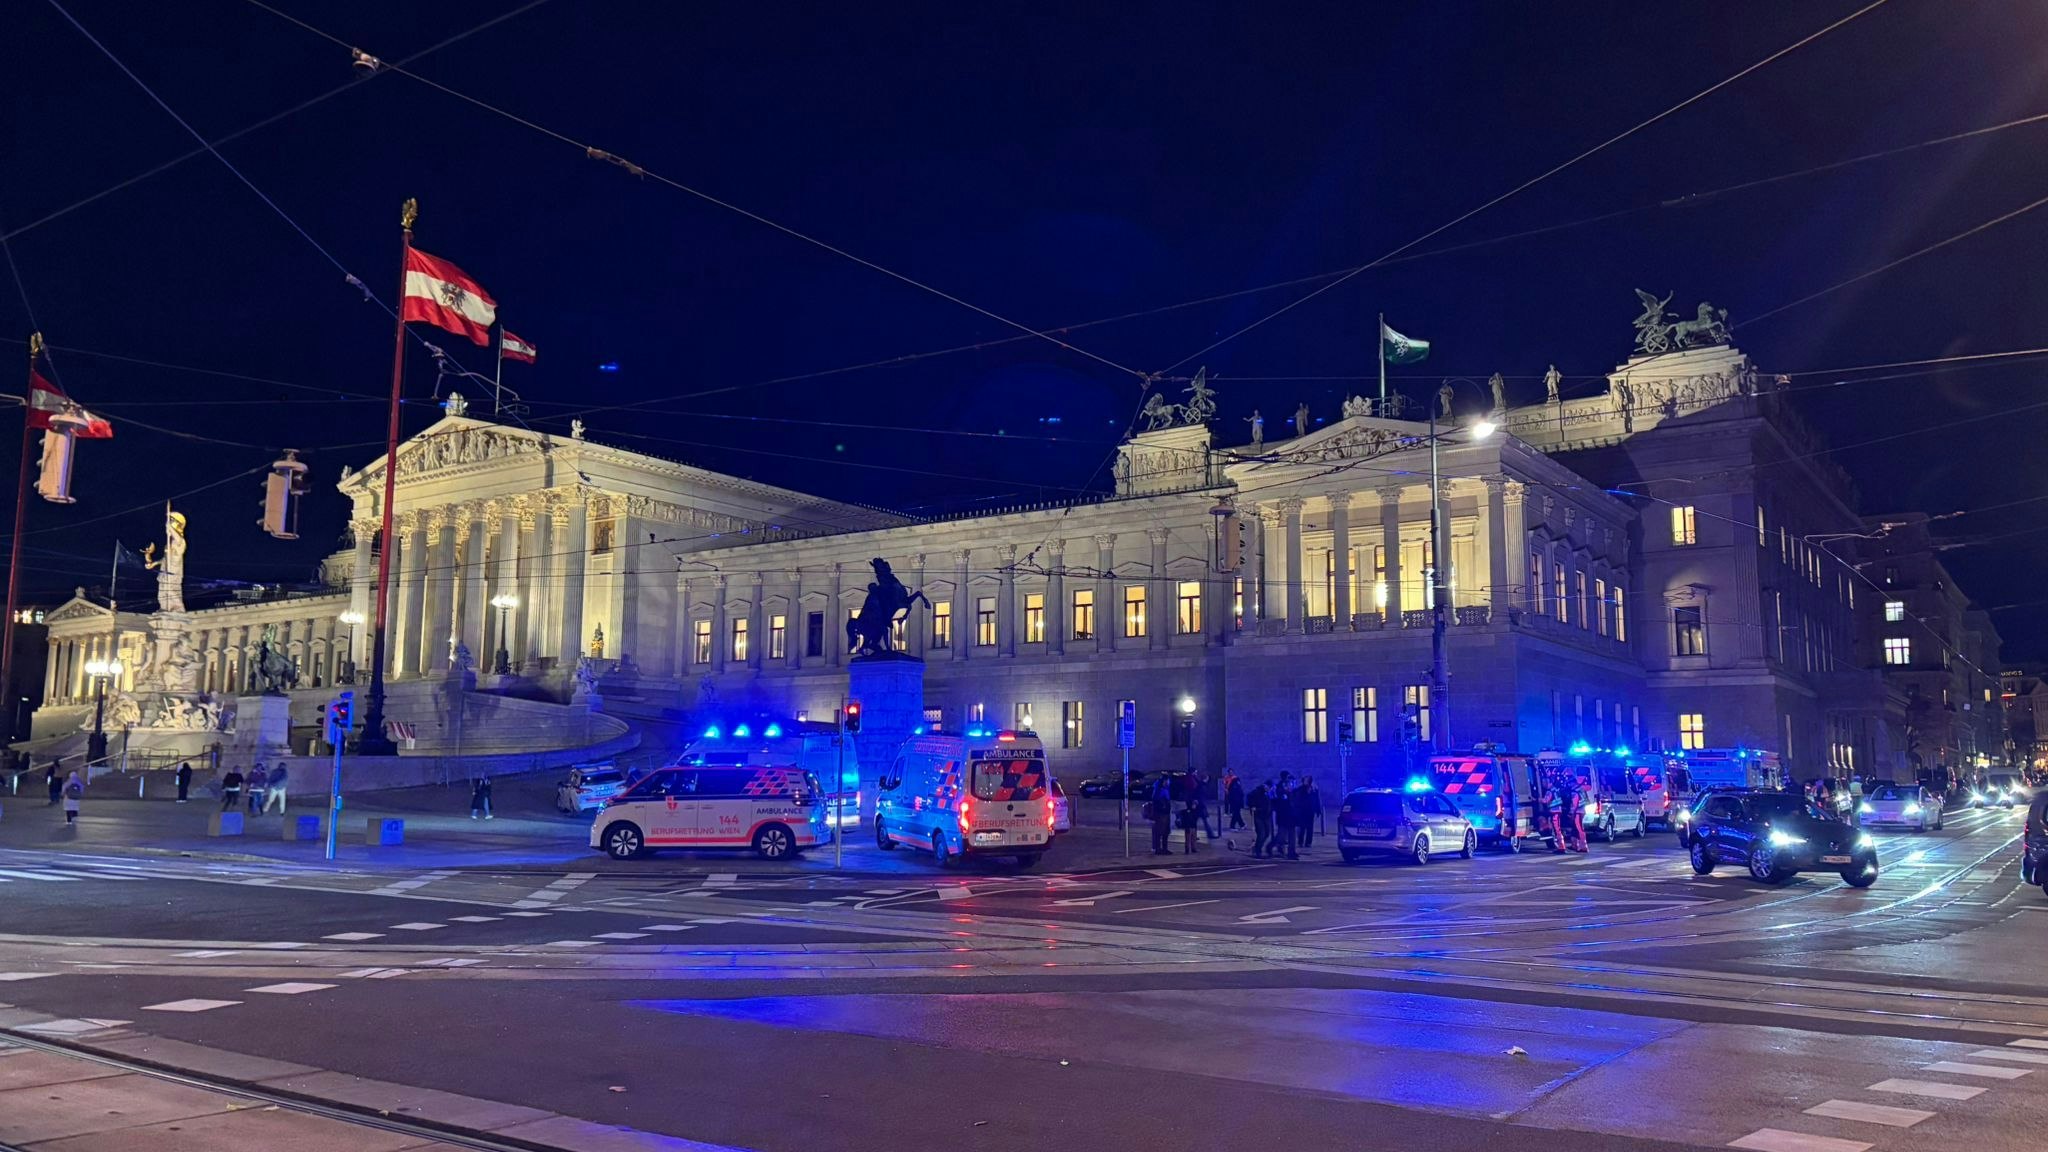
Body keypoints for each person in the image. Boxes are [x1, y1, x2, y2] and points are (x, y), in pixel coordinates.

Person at [1272, 772, 1299, 859]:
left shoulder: (1292, 788)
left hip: (1291, 816)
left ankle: (1291, 852)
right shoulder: (1279, 787)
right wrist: (1286, 791)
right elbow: (1280, 801)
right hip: (1283, 816)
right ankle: (1272, 846)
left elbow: (1294, 801)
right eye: (1288, 778)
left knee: (1292, 835)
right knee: (1281, 836)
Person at [1560, 772, 1588, 853]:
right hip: (1582, 811)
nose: (1569, 785)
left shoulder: (1574, 792)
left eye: (1569, 783)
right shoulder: (1581, 789)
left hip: (1577, 812)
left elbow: (1574, 804)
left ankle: (1583, 846)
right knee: (1576, 829)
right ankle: (1575, 845)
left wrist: (1571, 813)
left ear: (1572, 783)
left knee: (1579, 829)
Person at [1148, 777, 1174, 855]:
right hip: (1161, 814)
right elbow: (1160, 802)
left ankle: (1162, 848)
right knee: (1160, 832)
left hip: (1164, 814)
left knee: (1163, 832)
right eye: (1167, 781)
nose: (1168, 783)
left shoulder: (1161, 790)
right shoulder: (1161, 791)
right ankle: (1159, 848)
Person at [1247, 780, 1273, 858]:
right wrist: (1252, 806)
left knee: (1267, 833)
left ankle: (1257, 847)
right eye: (1268, 787)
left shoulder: (1268, 794)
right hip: (1259, 815)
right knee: (1261, 834)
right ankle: (1258, 850)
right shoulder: (1257, 792)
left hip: (1267, 816)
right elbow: (1249, 797)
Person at [1297, 776, 1323, 849]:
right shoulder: (1301, 789)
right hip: (1302, 811)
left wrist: (1318, 810)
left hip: (1310, 811)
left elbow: (1317, 800)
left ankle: (1308, 843)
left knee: (1310, 828)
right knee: (1302, 827)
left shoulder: (1314, 789)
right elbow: (1298, 799)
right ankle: (1300, 842)